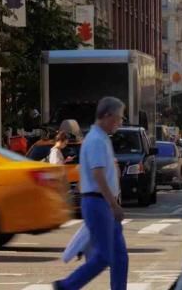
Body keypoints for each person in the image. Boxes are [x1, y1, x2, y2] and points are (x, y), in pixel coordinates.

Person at [53, 97, 128, 290]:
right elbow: (98, 174)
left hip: (102, 203)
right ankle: (67, 285)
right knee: (104, 256)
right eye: (118, 118)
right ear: (107, 116)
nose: (119, 123)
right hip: (98, 203)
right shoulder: (95, 140)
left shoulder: (101, 138)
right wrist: (113, 204)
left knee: (120, 257)